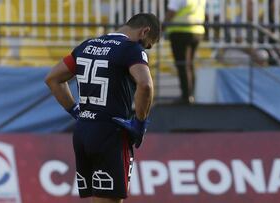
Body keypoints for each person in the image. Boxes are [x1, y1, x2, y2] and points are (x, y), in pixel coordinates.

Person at [45, 13, 160, 203]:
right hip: (111, 132)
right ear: (144, 31)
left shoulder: (87, 45)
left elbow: (53, 79)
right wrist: (139, 124)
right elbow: (145, 85)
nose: (145, 48)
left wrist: (76, 111)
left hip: (82, 132)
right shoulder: (131, 49)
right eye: (147, 44)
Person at [163, 0, 206, 104]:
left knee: (182, 64)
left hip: (180, 32)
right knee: (189, 65)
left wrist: (162, 26)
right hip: (197, 31)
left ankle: (186, 97)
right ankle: (191, 95)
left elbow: (172, 12)